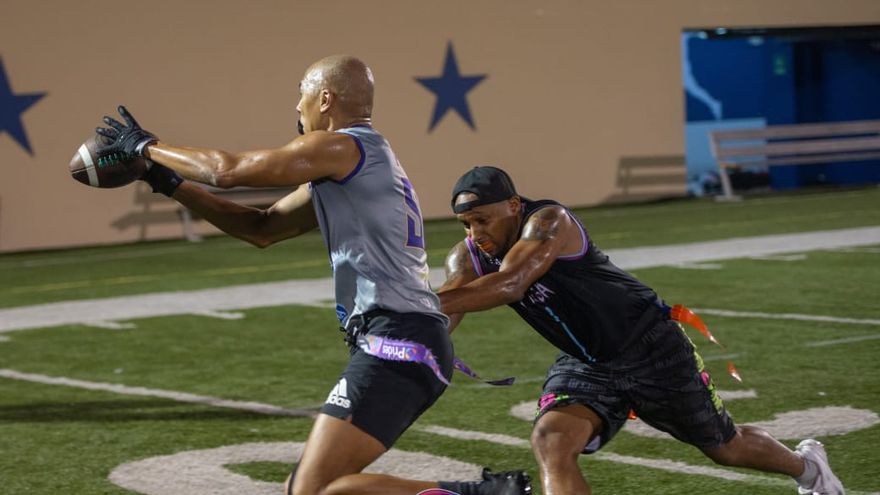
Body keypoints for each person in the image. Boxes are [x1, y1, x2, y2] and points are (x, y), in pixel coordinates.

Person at [93, 56, 531, 495]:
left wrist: (145, 146)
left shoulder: (344, 146)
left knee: (309, 491)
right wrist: (166, 182)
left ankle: (484, 493)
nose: (297, 105)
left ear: (325, 99)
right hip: (402, 340)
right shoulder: (356, 164)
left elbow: (227, 171)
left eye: (301, 92)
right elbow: (262, 228)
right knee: (314, 489)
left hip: (398, 339)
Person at [436, 166, 845, 495]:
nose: (475, 234)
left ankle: (808, 468)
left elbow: (510, 283)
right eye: (465, 224)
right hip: (588, 361)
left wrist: (422, 306)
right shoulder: (468, 256)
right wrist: (415, 335)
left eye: (482, 220)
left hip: (651, 346)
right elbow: (446, 309)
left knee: (726, 446)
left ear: (513, 205)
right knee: (552, 441)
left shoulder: (548, 220)